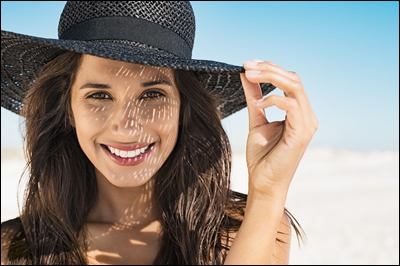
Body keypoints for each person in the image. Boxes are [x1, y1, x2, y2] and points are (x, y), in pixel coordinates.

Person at [0, 1, 317, 265]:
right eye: (99, 95)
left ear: (184, 107)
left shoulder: (244, 229)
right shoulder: (12, 248)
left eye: (152, 94)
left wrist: (268, 191)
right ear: (67, 108)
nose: (126, 127)